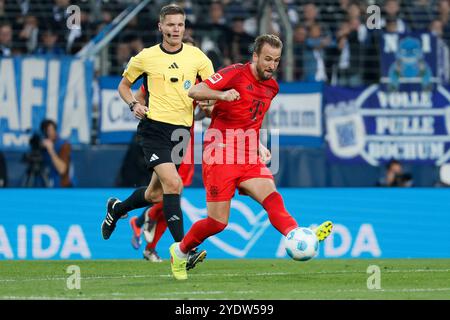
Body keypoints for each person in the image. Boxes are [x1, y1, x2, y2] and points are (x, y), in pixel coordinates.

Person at [168, 34, 333, 280]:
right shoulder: (235, 73)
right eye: (267, 59)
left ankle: (298, 235)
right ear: (255, 56)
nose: (271, 65)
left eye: (276, 61)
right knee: (217, 223)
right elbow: (196, 90)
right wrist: (222, 95)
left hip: (246, 153)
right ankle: (179, 252)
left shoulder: (272, 88)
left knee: (273, 199)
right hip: (220, 153)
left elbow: (250, 120)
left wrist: (257, 144)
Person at [101, 4, 214, 268]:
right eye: (171, 24)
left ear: (185, 27)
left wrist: (210, 105)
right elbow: (124, 86)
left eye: (180, 25)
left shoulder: (198, 58)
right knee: (174, 185)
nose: (176, 29)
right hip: (154, 130)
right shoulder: (146, 57)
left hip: (181, 133)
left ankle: (116, 210)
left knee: (156, 195)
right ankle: (184, 249)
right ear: (160, 27)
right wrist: (133, 105)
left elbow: (209, 91)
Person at [128, 36, 202, 265]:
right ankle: (148, 222)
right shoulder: (162, 75)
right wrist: (141, 108)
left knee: (169, 192)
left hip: (183, 139)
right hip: (165, 137)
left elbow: (205, 107)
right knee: (172, 190)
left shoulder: (199, 76)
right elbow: (140, 95)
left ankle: (147, 236)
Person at [40, 119, 73, 187]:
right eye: (45, 131)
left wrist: (51, 150)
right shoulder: (42, 145)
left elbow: (62, 170)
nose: (48, 133)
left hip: (62, 187)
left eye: (50, 130)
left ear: (55, 130)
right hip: (44, 185)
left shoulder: (64, 145)